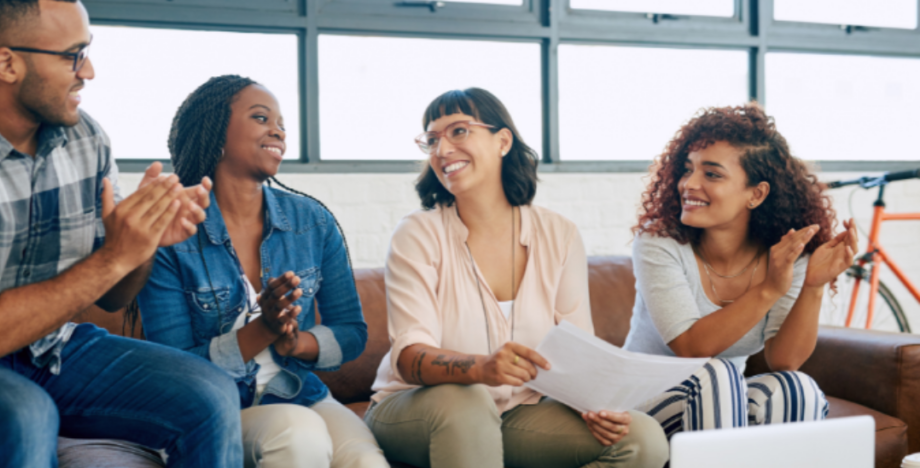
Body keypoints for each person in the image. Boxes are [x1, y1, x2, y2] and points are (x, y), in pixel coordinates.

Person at [0, 0, 244, 467]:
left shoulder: (86, 139)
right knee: (22, 415)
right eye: (71, 55)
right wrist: (112, 257)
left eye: (87, 50)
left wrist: (139, 245)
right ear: (7, 63)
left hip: (49, 348)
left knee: (209, 394)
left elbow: (111, 295)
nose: (89, 71)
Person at [366, 87, 669, 468]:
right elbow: (409, 358)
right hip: (417, 410)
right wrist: (481, 368)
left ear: (502, 141)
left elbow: (578, 350)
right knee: (469, 399)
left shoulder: (559, 234)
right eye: (432, 139)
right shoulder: (417, 233)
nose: (441, 150)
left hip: (520, 411)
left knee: (642, 439)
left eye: (458, 131)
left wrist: (594, 405)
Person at [135, 74, 387, 468]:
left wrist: (295, 343)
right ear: (216, 131)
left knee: (365, 461)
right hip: (211, 411)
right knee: (297, 433)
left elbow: (351, 333)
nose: (278, 131)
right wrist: (262, 331)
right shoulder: (174, 232)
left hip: (300, 391)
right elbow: (178, 374)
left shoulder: (313, 222)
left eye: (282, 124)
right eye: (261, 118)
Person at [624, 103, 857, 438]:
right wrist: (769, 289)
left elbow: (784, 360)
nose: (689, 184)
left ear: (757, 193)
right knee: (715, 374)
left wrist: (813, 286)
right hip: (642, 402)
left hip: (720, 404)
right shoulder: (659, 243)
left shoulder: (784, 253)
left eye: (712, 174)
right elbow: (691, 349)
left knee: (796, 388)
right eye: (688, 169)